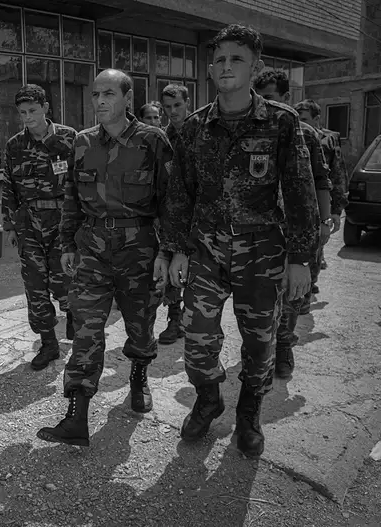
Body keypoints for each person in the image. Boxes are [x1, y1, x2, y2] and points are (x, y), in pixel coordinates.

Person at [160, 24, 319, 458]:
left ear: (256, 68)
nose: (227, 66)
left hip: (262, 250)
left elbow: (302, 193)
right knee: (197, 337)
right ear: (211, 68)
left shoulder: (282, 123)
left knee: (259, 339)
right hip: (207, 250)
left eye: (237, 59)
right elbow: (180, 195)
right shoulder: (194, 128)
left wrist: (302, 259)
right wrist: (174, 249)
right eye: (220, 59)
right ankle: (209, 398)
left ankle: (249, 412)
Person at [37, 69, 173, 447]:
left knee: (141, 324)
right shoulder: (82, 142)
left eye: (108, 94)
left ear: (128, 98)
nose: (99, 101)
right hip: (92, 247)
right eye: (96, 94)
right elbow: (71, 198)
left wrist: (168, 251)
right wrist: (66, 243)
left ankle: (139, 376)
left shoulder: (152, 141)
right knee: (85, 328)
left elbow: (171, 201)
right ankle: (77, 415)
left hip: (140, 249)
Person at [253, 69, 332, 378]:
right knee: (260, 293)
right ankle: (263, 347)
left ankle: (284, 345)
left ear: (286, 98)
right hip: (262, 228)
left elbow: (322, 181)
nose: (263, 103)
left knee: (292, 290)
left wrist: (326, 220)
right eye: (260, 96)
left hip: (297, 226)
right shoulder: (254, 129)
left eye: (270, 97)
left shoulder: (305, 134)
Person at [1, 84, 77, 371]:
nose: (28, 117)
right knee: (34, 285)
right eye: (22, 113)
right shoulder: (15, 145)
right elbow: (9, 185)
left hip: (64, 224)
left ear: (46, 108)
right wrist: (9, 224)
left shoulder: (69, 139)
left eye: (33, 111)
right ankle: (48, 343)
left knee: (66, 281)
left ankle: (72, 317)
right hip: (29, 225)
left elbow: (82, 182)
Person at [294, 99, 348, 305]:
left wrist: (335, 210)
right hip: (297, 206)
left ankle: (305, 293)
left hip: (318, 204)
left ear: (317, 119)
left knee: (313, 250)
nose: (300, 122)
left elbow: (337, 173)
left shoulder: (329, 139)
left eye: (305, 119)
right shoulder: (290, 134)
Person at [157, 84, 192, 345]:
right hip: (170, 214)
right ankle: (174, 319)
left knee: (197, 269)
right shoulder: (163, 138)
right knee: (170, 267)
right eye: (167, 108)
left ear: (187, 102)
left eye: (177, 105)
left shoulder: (201, 131)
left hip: (198, 214)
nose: (173, 112)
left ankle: (195, 320)